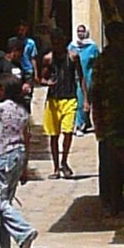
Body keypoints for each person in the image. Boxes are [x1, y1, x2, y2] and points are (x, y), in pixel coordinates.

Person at [0, 73, 39, 248]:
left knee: (0, 201)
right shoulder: (22, 111)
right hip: (19, 156)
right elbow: (27, 138)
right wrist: (25, 168)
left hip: (3, 156)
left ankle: (24, 232)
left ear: (4, 90)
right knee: (6, 199)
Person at [91, 22, 124, 221]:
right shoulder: (103, 61)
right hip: (109, 120)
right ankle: (109, 201)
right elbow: (96, 92)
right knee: (108, 163)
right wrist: (98, 121)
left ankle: (120, 199)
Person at [40, 45, 78, 177]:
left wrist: (85, 99)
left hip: (70, 98)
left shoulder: (73, 57)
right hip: (53, 100)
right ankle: (56, 167)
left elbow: (81, 77)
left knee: (68, 132)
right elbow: (41, 78)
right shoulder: (48, 59)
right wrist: (47, 82)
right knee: (54, 135)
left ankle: (64, 161)